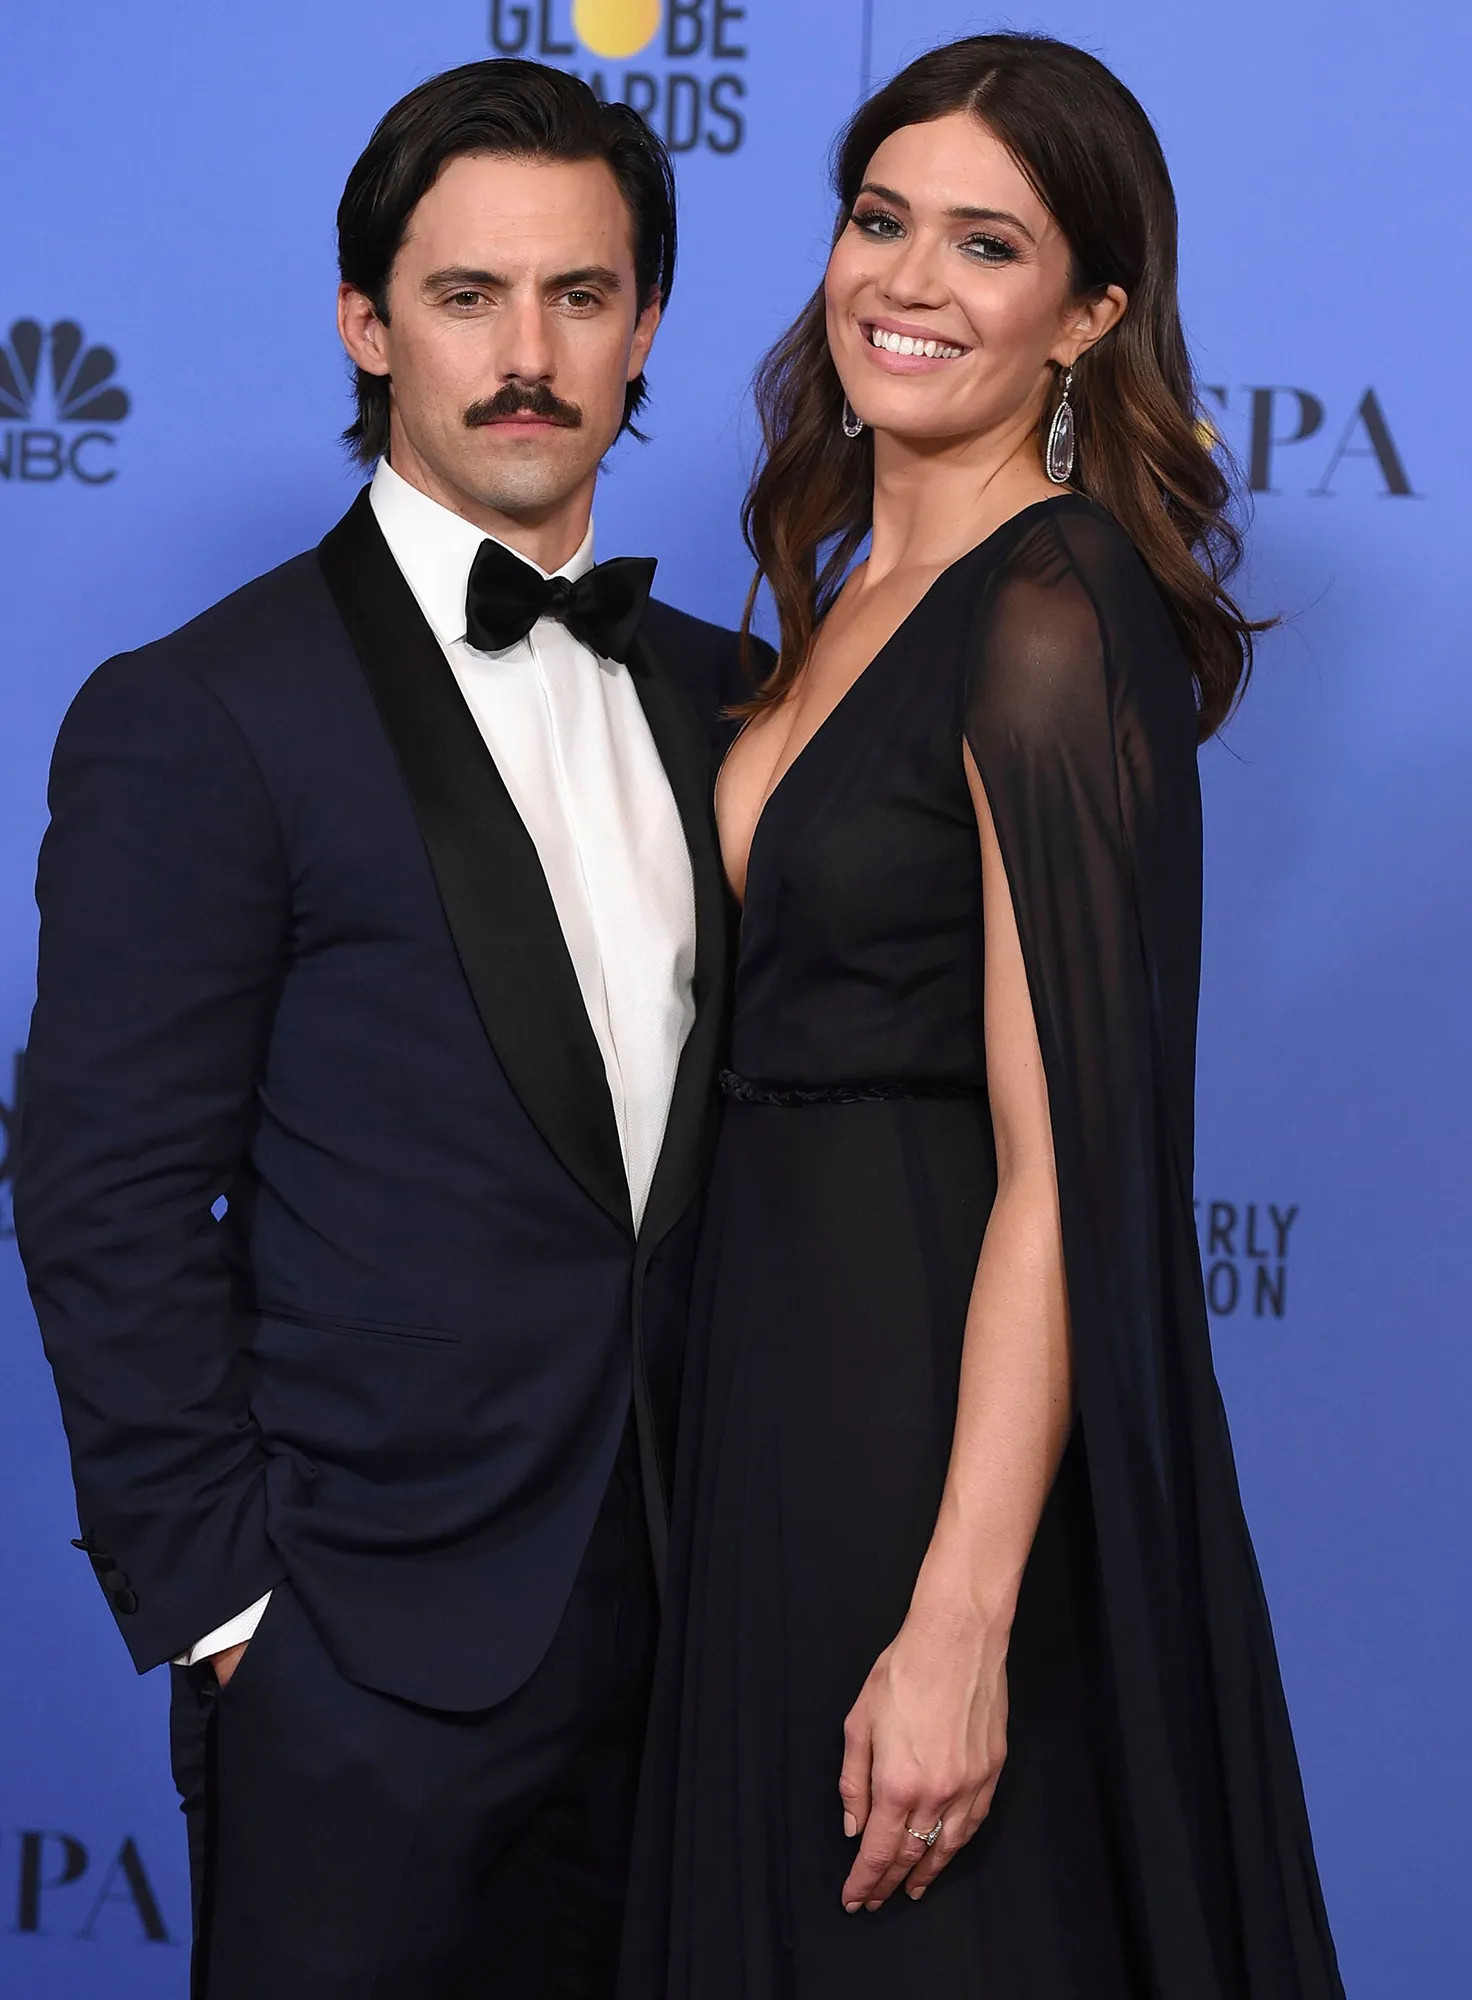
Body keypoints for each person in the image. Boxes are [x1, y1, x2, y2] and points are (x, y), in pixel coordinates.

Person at [16, 58, 755, 2000]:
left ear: (644, 327)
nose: (528, 356)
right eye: (466, 296)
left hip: (711, 1643)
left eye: (580, 296)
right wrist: (229, 1604)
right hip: (359, 1657)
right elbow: (100, 1188)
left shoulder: (742, 703)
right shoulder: (207, 709)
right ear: (367, 323)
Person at [621, 32, 1345, 1999]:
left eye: (988, 244)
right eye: (880, 220)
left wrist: (961, 1617)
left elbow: (1064, 1171)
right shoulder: (832, 590)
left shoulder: (1050, 613)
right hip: (760, 1385)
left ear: (1088, 317)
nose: (910, 281)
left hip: (921, 1411)